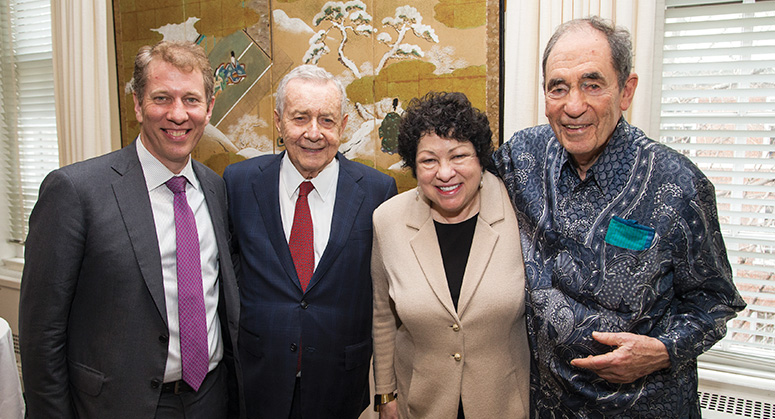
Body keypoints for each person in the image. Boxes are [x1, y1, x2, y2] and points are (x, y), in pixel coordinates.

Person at [492, 17, 746, 418]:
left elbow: (715, 301)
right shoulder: (523, 157)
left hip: (644, 406)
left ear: (626, 90)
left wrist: (662, 351)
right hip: (545, 406)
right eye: (558, 87)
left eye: (592, 84)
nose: (573, 106)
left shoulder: (678, 185)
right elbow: (457, 176)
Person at [19, 41, 242, 418]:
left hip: (210, 399)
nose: (177, 114)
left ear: (208, 108)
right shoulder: (74, 192)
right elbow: (42, 333)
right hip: (116, 405)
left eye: (191, 99)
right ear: (138, 105)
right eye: (161, 98)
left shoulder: (216, 188)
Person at [224, 64, 397, 419]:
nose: (313, 133)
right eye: (300, 118)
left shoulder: (378, 192)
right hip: (260, 381)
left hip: (343, 385)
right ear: (278, 121)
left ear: (344, 125)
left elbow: (385, 298)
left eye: (327, 120)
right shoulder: (239, 183)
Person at [372, 92, 530, 418]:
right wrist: (385, 393)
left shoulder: (520, 213)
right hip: (420, 404)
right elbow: (383, 316)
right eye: (429, 160)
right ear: (413, 167)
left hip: (503, 403)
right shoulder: (387, 220)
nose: (445, 173)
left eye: (458, 156)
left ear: (480, 157)